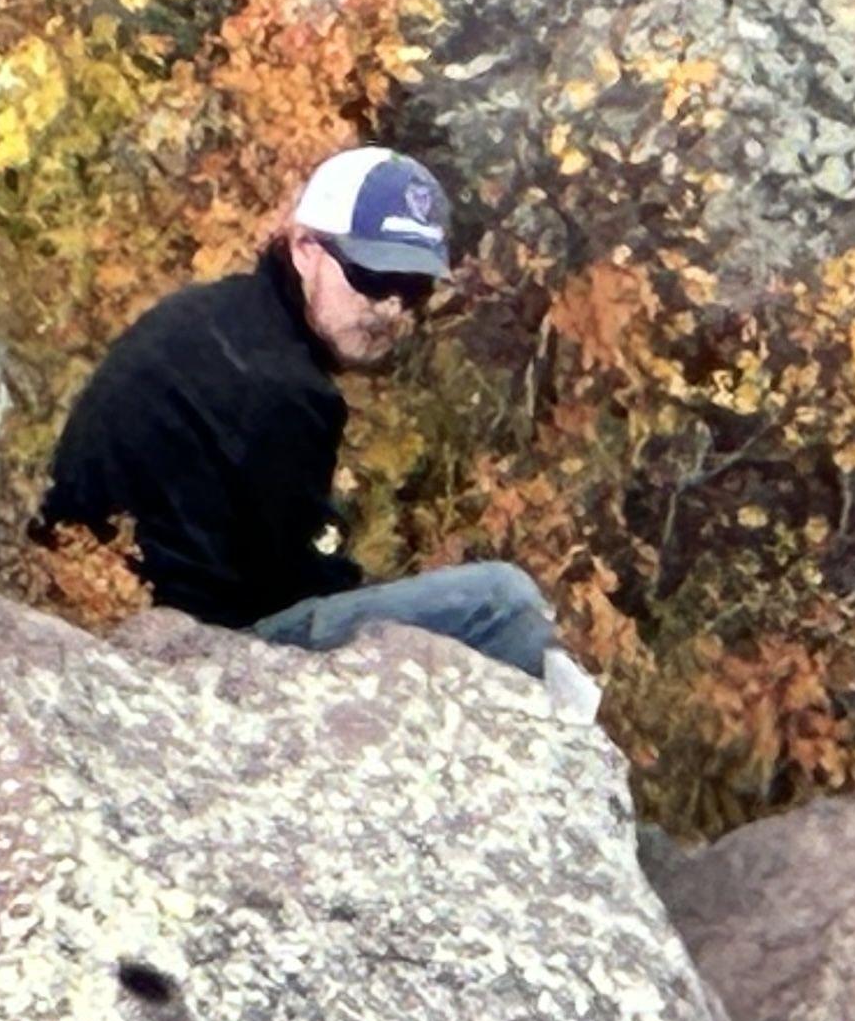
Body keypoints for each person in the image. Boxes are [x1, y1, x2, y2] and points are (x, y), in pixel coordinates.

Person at [40, 146, 601, 726]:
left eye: (412, 289)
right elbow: (297, 586)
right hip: (189, 661)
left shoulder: (211, 316)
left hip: (112, 619)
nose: (388, 308)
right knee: (500, 601)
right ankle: (569, 765)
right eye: (371, 276)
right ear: (306, 248)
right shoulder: (283, 387)